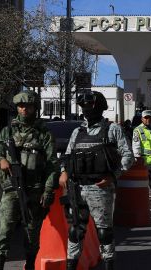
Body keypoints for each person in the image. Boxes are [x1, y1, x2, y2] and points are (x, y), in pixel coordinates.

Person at [59, 91, 134, 270]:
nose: (86, 109)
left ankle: (108, 264)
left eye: (89, 105)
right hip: (77, 188)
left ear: (99, 106)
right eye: (83, 105)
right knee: (75, 230)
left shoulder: (112, 129)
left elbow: (128, 156)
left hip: (100, 188)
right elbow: (68, 156)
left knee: (104, 232)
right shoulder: (78, 131)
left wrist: (113, 176)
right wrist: (64, 172)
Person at [0, 90, 59, 270]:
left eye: (28, 106)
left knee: (31, 233)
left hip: (35, 189)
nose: (24, 109)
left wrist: (48, 190)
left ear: (35, 108)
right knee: (4, 231)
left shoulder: (43, 133)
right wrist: (2, 160)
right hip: (12, 189)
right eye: (21, 106)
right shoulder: (8, 131)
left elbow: (53, 164)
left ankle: (30, 265)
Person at [132, 110, 151, 216]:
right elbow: (136, 148)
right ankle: (146, 209)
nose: (148, 119)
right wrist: (139, 162)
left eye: (149, 117)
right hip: (144, 164)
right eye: (145, 117)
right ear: (142, 119)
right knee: (145, 187)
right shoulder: (138, 130)